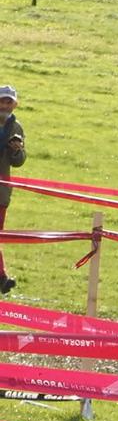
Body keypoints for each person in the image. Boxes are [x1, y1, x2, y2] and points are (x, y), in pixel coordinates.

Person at [0, 84, 28, 294]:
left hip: (1, 191)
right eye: (2, 100)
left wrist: (16, 151)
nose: (5, 105)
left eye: (9, 101)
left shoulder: (16, 127)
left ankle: (1, 277)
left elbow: (18, 161)